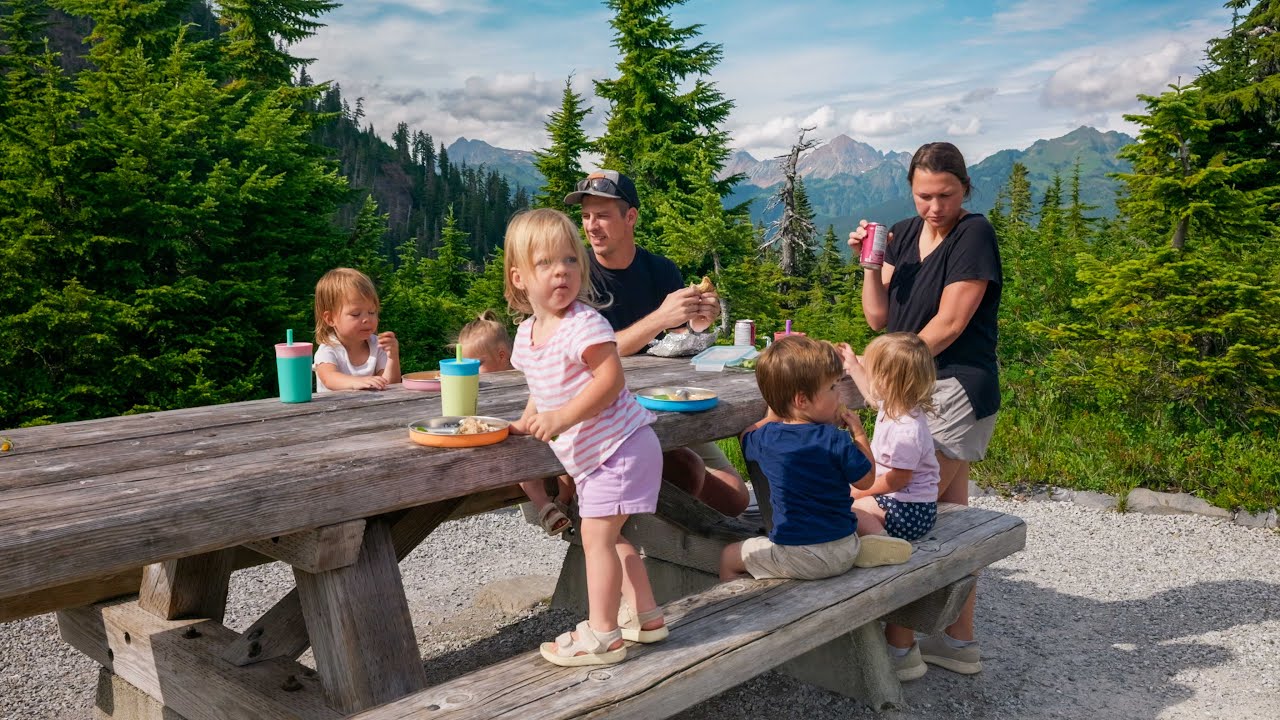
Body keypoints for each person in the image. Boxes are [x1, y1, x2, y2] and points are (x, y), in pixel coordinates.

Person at [846, 141, 1003, 677]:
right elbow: (876, 316)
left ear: (965, 189)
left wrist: (886, 371)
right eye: (923, 196)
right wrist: (870, 263)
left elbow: (952, 325)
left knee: (900, 520)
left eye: (946, 195)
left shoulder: (973, 234)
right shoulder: (904, 233)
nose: (934, 207)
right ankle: (957, 644)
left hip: (953, 386)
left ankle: (899, 647)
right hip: (912, 385)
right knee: (950, 523)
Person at [503, 208, 667, 667]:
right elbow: (541, 387)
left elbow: (610, 380)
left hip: (621, 449)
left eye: (571, 261)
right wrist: (525, 421)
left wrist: (561, 419)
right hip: (601, 458)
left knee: (596, 538)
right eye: (545, 264)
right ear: (519, 278)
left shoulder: (584, 324)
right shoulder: (526, 335)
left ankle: (603, 635)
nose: (562, 271)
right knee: (611, 538)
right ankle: (647, 617)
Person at [564, 170, 750, 517]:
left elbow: (676, 341)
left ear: (630, 217)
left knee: (736, 499)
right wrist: (660, 318)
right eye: (586, 216)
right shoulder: (575, 275)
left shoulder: (661, 270)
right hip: (607, 415)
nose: (591, 226)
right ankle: (653, 537)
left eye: (602, 215)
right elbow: (587, 356)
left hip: (667, 404)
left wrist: (698, 322)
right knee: (686, 471)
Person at [719, 335, 911, 582]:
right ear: (801, 400)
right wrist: (859, 434)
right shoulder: (835, 439)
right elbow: (866, 481)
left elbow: (747, 434)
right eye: (832, 387)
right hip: (845, 544)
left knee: (728, 555)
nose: (839, 395)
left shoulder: (766, 439)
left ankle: (738, 609)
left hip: (799, 556)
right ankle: (864, 548)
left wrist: (775, 412)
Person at [840, 332, 941, 680]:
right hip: (905, 502)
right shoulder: (896, 406)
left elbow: (896, 481)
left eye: (873, 367)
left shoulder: (906, 429)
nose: (869, 372)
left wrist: (857, 495)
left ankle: (881, 542)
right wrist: (853, 365)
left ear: (889, 379)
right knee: (849, 501)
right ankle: (874, 536)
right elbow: (871, 396)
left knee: (845, 510)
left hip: (909, 512)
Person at [457, 310, 574, 535]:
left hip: (548, 437)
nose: (471, 371)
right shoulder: (481, 384)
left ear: (502, 355)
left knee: (544, 450)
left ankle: (563, 498)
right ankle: (547, 508)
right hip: (532, 446)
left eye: (476, 364)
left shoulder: (528, 373)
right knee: (521, 455)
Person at [313, 267, 401, 392]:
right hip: (334, 410)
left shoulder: (378, 345)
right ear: (330, 319)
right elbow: (329, 378)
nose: (366, 319)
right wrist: (356, 382)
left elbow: (390, 384)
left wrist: (393, 357)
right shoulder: (329, 348)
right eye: (355, 314)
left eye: (372, 312)